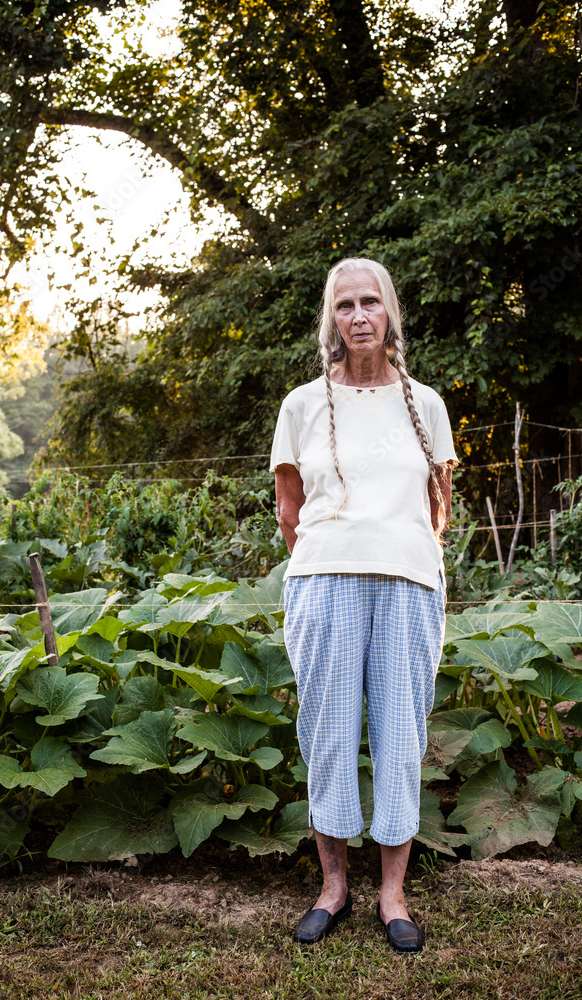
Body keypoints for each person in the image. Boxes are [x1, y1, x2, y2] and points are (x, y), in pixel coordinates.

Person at [270, 257, 457, 953]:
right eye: (344, 305)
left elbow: (438, 508)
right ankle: (332, 888)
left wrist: (404, 555)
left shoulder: (426, 405)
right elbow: (289, 512)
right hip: (324, 583)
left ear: (389, 312)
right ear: (331, 319)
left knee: (401, 737)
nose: (357, 316)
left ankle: (392, 895)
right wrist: (332, 561)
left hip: (407, 584)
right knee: (328, 734)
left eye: (369, 302)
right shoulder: (301, 406)